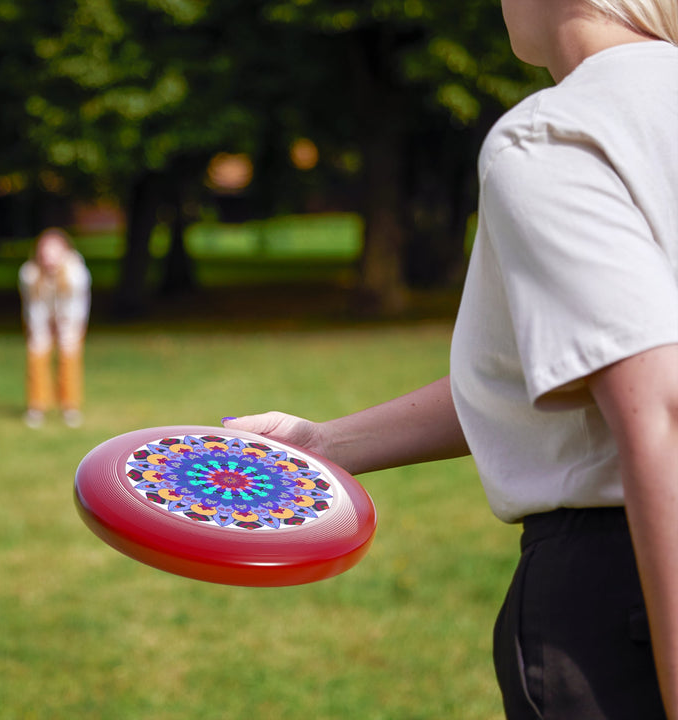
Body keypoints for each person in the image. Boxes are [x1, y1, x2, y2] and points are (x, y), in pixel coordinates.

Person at [222, 1, 678, 717]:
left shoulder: (558, 135)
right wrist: (325, 444)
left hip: (627, 595)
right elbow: (567, 370)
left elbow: (660, 409)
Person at [18, 227, 91, 428]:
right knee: (37, 354)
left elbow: (76, 306)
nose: (49, 257)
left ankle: (70, 406)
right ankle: (37, 406)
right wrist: (42, 329)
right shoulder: (29, 273)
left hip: (70, 319)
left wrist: (64, 327)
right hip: (40, 319)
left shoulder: (76, 273)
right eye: (45, 251)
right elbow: (34, 306)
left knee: (69, 357)